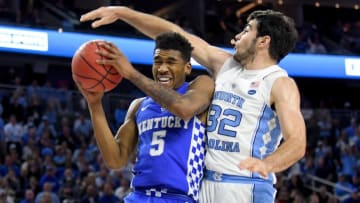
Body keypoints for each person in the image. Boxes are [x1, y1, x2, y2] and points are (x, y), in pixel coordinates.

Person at [80, 6, 307, 203]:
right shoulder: (224, 66)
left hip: (244, 184)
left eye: (247, 30)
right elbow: (176, 35)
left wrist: (268, 164)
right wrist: (123, 13)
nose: (237, 36)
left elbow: (297, 142)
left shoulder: (279, 82)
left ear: (263, 41)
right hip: (203, 186)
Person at [75, 32, 214, 203]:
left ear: (187, 67)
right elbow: (115, 160)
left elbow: (184, 109)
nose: (162, 69)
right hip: (138, 196)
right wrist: (95, 105)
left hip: (178, 198)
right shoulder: (139, 105)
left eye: (171, 62)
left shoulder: (200, 85)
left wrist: (131, 74)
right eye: (158, 62)